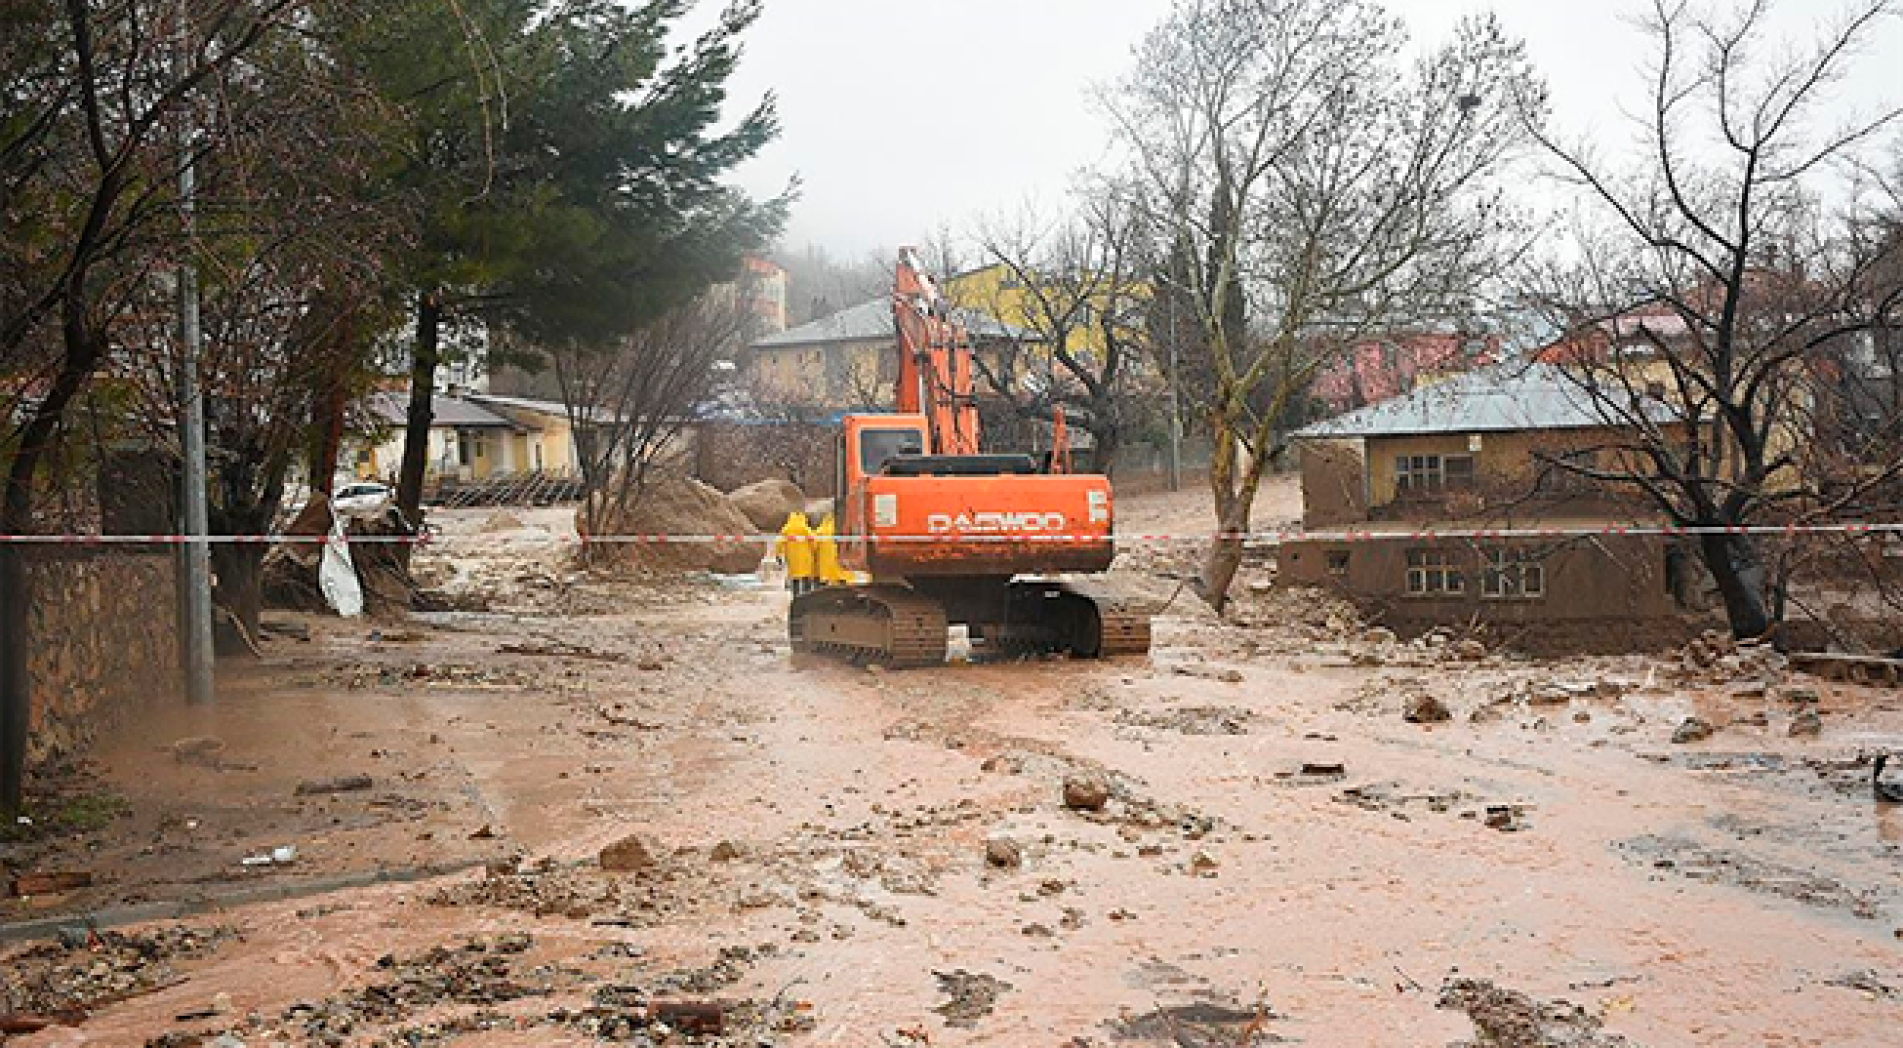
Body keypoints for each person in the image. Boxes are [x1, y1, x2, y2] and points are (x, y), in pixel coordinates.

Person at [777, 511, 817, 596]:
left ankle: (795, 596)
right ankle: (807, 596)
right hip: (806, 558)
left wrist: (779, 554)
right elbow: (814, 542)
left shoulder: (786, 529)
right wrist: (815, 552)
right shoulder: (805, 529)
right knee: (806, 578)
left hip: (792, 558)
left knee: (795, 578)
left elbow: (779, 543)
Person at [815, 511, 849, 586]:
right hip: (836, 551)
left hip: (824, 554)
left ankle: (828, 582)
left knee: (826, 572)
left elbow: (815, 542)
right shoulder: (838, 528)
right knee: (837, 569)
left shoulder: (821, 530)